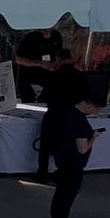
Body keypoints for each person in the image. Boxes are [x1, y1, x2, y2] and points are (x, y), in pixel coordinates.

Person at [29, 43, 89, 183]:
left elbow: (45, 96)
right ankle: (62, 174)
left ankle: (42, 174)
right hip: (73, 113)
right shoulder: (80, 76)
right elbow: (85, 95)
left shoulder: (54, 75)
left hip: (55, 113)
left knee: (45, 145)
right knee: (65, 145)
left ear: (58, 59)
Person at [46, 100, 96, 218]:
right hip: (73, 164)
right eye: (95, 108)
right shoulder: (79, 121)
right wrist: (94, 137)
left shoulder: (65, 111)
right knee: (66, 199)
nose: (95, 112)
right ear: (88, 104)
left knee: (60, 196)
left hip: (62, 160)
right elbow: (82, 148)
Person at [14, 27, 61, 103]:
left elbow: (59, 56)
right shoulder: (31, 37)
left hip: (48, 82)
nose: (47, 29)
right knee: (30, 109)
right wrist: (40, 63)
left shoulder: (56, 36)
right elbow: (18, 59)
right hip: (29, 81)